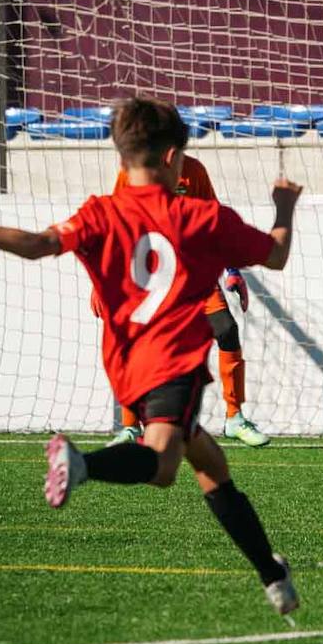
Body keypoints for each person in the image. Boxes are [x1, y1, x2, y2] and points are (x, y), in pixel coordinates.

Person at [0, 97, 302, 615]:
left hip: (126, 368)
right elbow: (275, 254)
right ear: (172, 158)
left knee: (209, 463)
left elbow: (36, 244)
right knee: (164, 467)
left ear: (123, 157)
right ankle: (81, 464)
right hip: (174, 364)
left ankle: (272, 575)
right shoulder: (201, 216)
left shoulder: (99, 213)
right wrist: (283, 207)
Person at [105, 155, 269, 448]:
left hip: (193, 275)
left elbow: (215, 223)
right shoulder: (132, 171)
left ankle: (234, 418)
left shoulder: (194, 171)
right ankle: (130, 426)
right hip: (149, 277)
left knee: (226, 329)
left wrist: (232, 270)